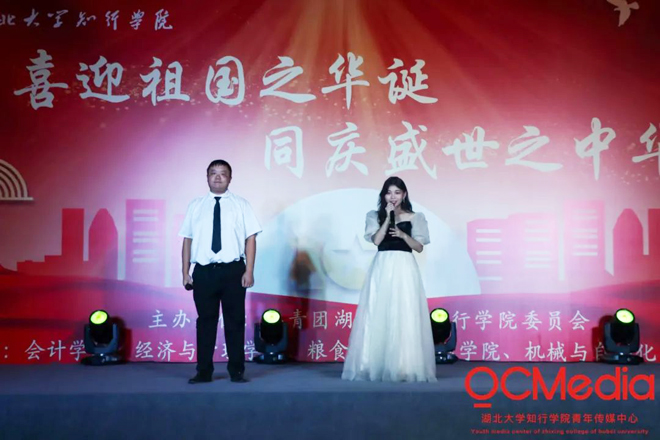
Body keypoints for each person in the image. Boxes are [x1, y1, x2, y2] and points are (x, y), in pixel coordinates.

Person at [341, 176, 437, 382]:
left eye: (397, 192)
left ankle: (404, 365)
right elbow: (376, 240)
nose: (393, 197)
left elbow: (419, 247)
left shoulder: (415, 217)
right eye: (389, 192)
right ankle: (373, 364)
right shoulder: (374, 216)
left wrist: (403, 236)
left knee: (404, 311)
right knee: (378, 311)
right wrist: (387, 218)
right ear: (383, 195)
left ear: (404, 194)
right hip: (382, 266)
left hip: (405, 267)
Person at [179, 159, 261, 384]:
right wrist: (185, 272)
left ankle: (237, 371)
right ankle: (203, 371)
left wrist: (249, 270)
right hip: (204, 272)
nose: (217, 177)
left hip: (233, 271)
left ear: (230, 178)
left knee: (235, 321)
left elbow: (251, 238)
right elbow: (187, 239)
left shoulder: (241, 204)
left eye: (223, 173)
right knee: (206, 322)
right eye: (213, 173)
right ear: (207, 177)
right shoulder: (196, 205)